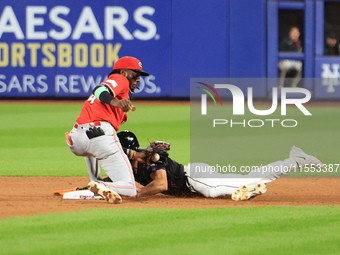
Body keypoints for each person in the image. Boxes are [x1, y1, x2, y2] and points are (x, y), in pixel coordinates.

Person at [91, 131, 323, 202]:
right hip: (194, 184)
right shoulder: (127, 166)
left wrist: (137, 194)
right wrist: (96, 186)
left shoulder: (153, 156)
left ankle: (295, 160)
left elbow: (161, 184)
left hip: (194, 177)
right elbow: (112, 181)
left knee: (215, 190)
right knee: (247, 178)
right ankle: (293, 159)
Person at [65, 56, 149, 204]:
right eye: (135, 75)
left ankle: (95, 183)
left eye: (140, 76)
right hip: (99, 134)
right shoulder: (120, 79)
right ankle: (98, 185)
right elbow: (99, 90)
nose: (138, 79)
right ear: (123, 72)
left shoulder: (121, 99)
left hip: (76, 139)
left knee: (95, 144)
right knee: (130, 188)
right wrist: (115, 102)